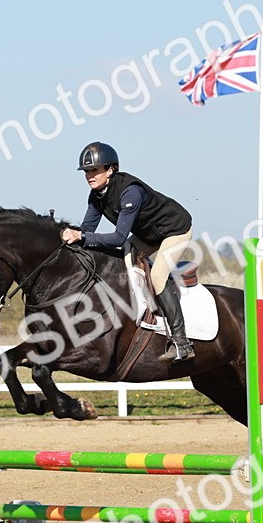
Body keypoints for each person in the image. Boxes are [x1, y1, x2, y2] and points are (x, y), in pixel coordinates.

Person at [60, 142, 196, 362]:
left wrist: (82, 237)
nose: (89, 176)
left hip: (175, 230)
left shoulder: (129, 191)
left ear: (111, 169)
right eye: (86, 171)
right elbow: (87, 231)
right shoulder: (96, 196)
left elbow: (117, 237)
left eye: (95, 170)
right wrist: (66, 235)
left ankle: (182, 344)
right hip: (148, 235)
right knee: (123, 259)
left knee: (158, 276)